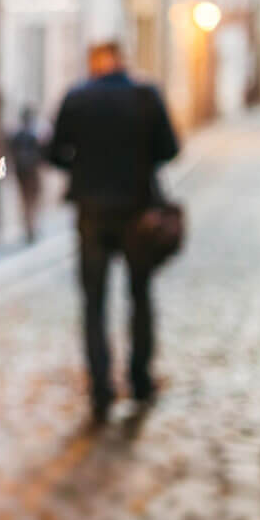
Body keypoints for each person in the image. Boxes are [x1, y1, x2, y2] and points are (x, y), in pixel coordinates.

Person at [45, 40, 180, 425]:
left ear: (95, 63)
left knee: (93, 301)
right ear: (123, 61)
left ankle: (101, 386)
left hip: (91, 213)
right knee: (140, 295)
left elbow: (55, 153)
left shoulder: (77, 97)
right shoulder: (145, 95)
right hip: (138, 212)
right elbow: (169, 149)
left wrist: (84, 165)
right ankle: (139, 379)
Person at [5, 105, 46, 243]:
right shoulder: (33, 135)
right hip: (31, 170)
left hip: (21, 170)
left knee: (25, 199)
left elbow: (11, 153)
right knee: (32, 199)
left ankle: (28, 226)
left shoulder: (17, 135)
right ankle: (31, 226)